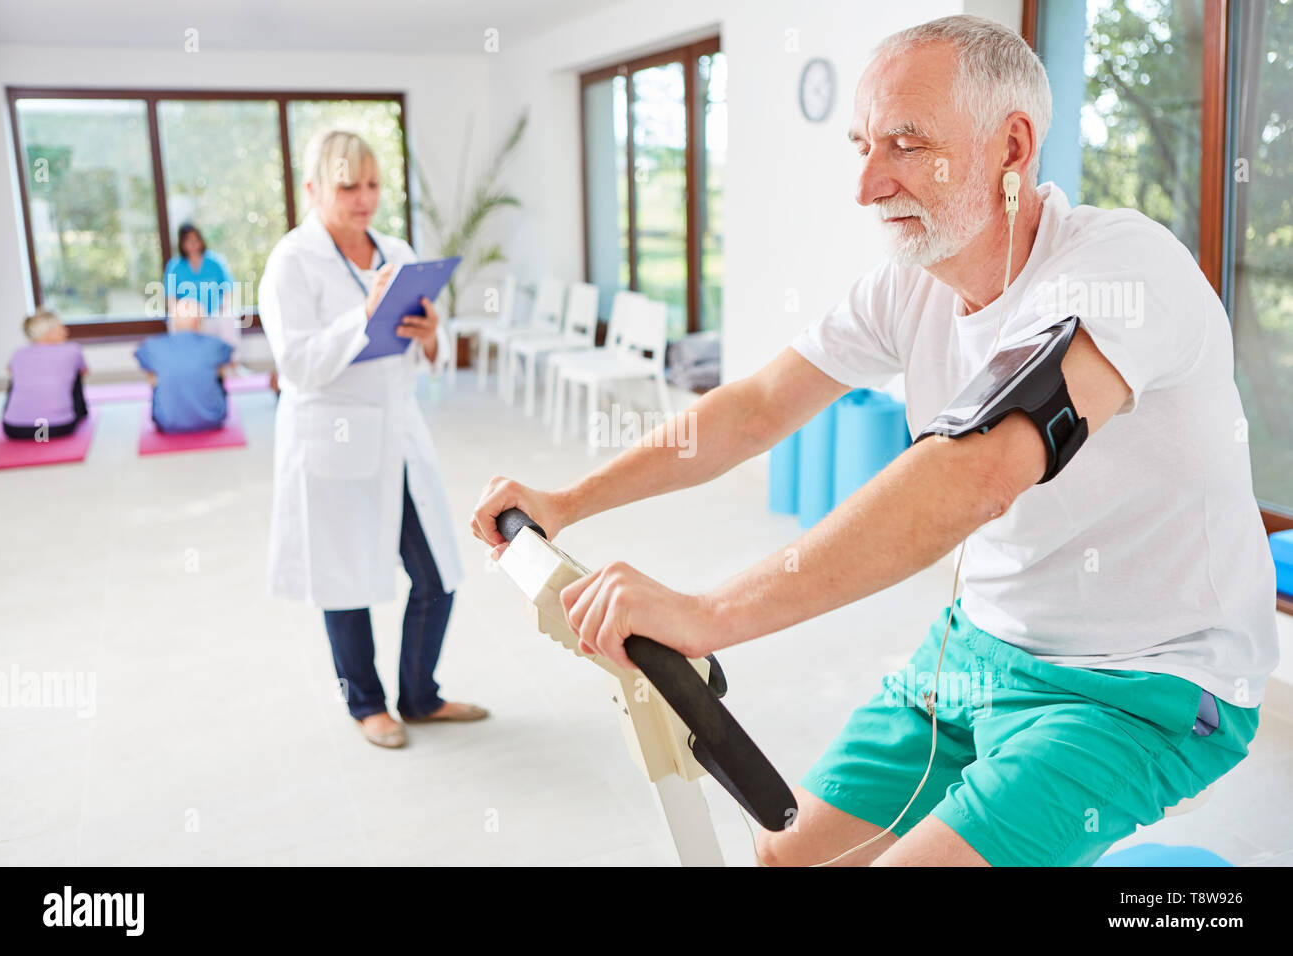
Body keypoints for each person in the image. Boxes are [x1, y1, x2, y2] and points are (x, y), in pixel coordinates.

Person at [472, 15, 1277, 867]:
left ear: (1011, 147)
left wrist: (707, 615)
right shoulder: (908, 288)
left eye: (904, 143)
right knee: (786, 857)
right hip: (980, 648)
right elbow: (751, 410)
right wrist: (568, 501)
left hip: (1142, 683)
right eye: (862, 143)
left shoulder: (1123, 271)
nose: (866, 184)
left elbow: (980, 474)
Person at [258, 129, 486, 750]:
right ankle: (366, 703)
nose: (364, 198)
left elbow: (419, 356)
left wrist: (432, 333)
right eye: (346, 185)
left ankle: (420, 696)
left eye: (373, 184)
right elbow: (297, 365)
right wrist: (361, 317)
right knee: (343, 574)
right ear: (312, 189)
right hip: (332, 436)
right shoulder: (291, 263)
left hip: (399, 434)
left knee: (438, 572)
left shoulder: (397, 250)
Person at [134, 298, 234, 434]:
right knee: (217, 369)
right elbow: (231, 360)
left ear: (173, 322)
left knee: (156, 371)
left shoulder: (153, 346)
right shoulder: (214, 344)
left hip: (167, 423)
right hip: (213, 420)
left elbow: (139, 356)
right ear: (199, 322)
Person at [2, 309, 88, 440]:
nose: (66, 331)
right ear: (49, 332)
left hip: (14, 429)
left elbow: (9, 370)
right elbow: (84, 371)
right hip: (58, 427)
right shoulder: (72, 350)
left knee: (16, 379)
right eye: (61, 328)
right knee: (75, 375)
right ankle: (82, 414)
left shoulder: (18, 353)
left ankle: (19, 415)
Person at [164, 222, 240, 352]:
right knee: (173, 321)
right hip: (188, 317)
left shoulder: (216, 262)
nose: (193, 244)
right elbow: (171, 299)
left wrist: (223, 307)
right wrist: (183, 315)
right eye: (189, 241)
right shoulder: (175, 267)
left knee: (229, 317)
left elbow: (229, 290)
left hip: (214, 314)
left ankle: (231, 364)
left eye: (196, 240)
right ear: (182, 244)